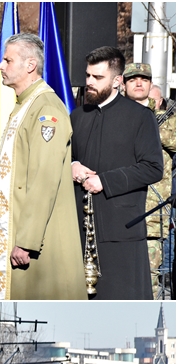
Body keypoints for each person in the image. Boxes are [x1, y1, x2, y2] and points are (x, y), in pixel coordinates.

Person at [0, 33, 86, 300]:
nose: (0, 67)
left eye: (7, 60)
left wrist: (26, 240)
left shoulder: (46, 108)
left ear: (29, 65)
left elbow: (43, 178)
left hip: (34, 242)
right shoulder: (25, 104)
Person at [70, 47, 164, 300]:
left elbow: (153, 167)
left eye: (97, 78)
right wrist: (72, 166)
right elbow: (66, 157)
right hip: (79, 228)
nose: (89, 82)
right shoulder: (77, 116)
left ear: (116, 81)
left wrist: (105, 181)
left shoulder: (140, 117)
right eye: (88, 75)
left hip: (121, 232)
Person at [122, 63, 175, 299]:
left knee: (150, 282)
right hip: (119, 212)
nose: (139, 83)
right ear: (123, 85)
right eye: (133, 79)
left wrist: (148, 117)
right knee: (120, 279)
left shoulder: (165, 120)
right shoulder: (114, 117)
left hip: (152, 214)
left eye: (144, 79)